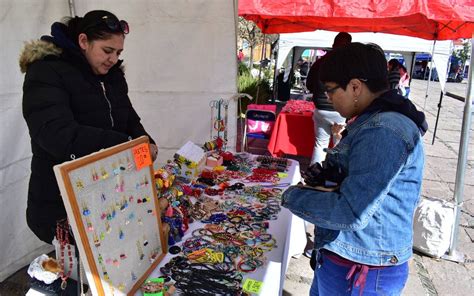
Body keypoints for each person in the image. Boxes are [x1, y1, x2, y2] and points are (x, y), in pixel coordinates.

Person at [282, 42, 427, 295]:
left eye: (330, 90)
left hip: (365, 267)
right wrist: (327, 176)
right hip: (346, 256)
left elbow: (351, 212)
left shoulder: (383, 130)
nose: (327, 97)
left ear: (356, 87)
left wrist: (289, 196)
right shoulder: (371, 119)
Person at [20, 10, 158, 244]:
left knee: (116, 252)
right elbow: (58, 135)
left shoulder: (112, 75)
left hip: (109, 194)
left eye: (118, 52)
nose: (113, 59)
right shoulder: (46, 71)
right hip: (62, 201)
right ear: (83, 41)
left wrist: (145, 142)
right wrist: (127, 146)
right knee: (80, 270)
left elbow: (129, 119)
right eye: (107, 50)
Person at [306, 32, 352, 164]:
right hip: (341, 111)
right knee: (339, 145)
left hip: (321, 109)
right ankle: (336, 175)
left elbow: (309, 84)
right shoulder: (350, 65)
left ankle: (314, 175)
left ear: (333, 45)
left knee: (320, 144)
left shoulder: (320, 62)